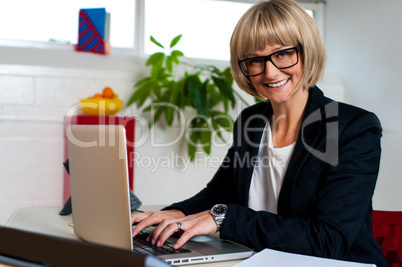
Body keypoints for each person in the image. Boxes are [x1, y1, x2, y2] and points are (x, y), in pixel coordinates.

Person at [131, 0, 388, 266]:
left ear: (306, 51)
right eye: (255, 60)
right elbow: (218, 194)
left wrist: (224, 218)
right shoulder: (251, 121)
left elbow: (328, 240)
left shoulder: (352, 127)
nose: (270, 71)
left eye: (283, 54)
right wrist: (175, 213)